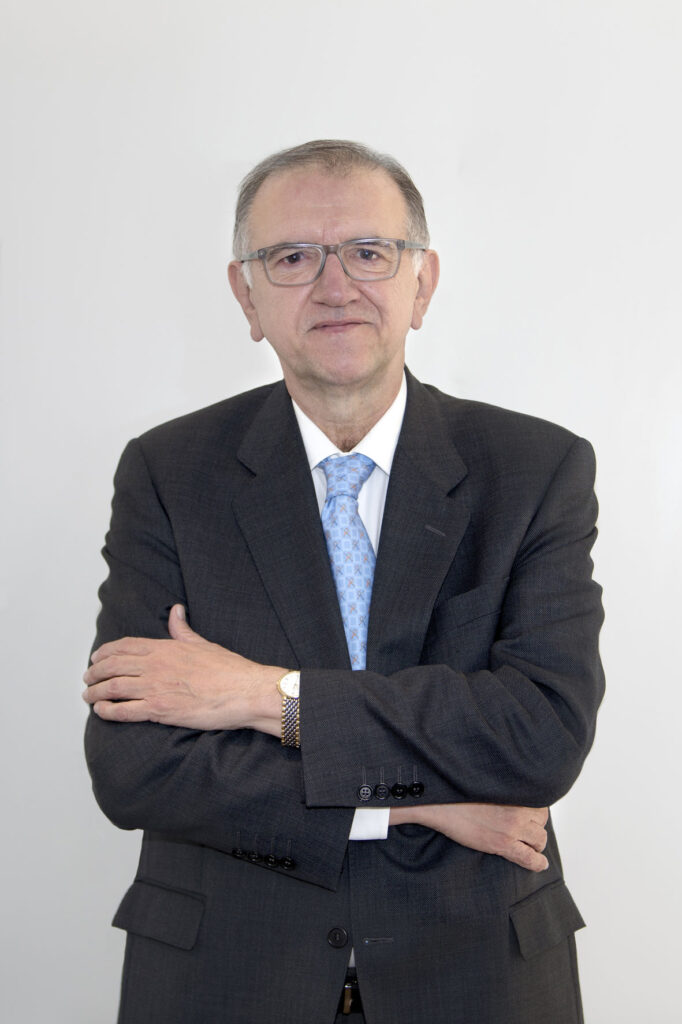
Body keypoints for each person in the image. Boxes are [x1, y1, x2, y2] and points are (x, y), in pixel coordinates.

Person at [84, 139, 604, 1024]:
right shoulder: (170, 474)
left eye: (369, 252)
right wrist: (420, 808)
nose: (334, 286)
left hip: (475, 972)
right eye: (291, 258)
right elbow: (135, 770)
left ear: (422, 283)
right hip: (229, 976)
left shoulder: (535, 468)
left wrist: (266, 698)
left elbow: (541, 737)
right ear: (247, 296)